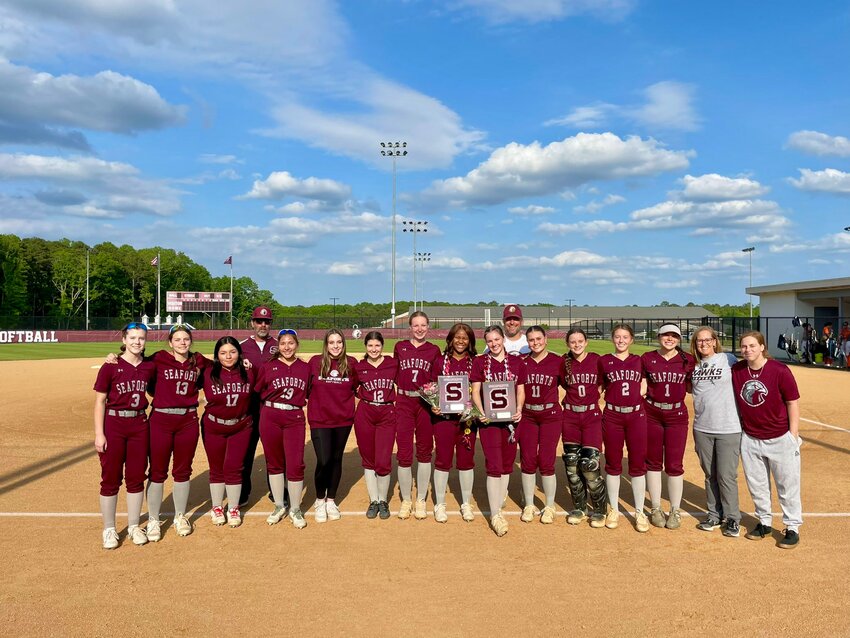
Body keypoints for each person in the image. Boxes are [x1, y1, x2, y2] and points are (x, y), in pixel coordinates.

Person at [732, 331, 802, 549]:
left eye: (752, 346)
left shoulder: (779, 370)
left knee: (787, 484)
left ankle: (792, 527)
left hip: (780, 437)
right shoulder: (737, 370)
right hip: (751, 438)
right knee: (757, 484)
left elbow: (792, 402)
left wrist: (793, 435)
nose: (748, 350)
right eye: (744, 347)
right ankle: (764, 522)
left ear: (762, 347)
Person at [93, 322, 156, 549]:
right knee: (110, 478)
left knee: (136, 477)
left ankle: (133, 526)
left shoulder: (150, 366)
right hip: (114, 423)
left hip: (139, 424)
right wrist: (100, 434)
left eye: (141, 338)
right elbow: (100, 401)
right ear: (124, 340)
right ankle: (109, 529)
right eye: (132, 338)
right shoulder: (110, 366)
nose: (137, 342)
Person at [146, 325, 209, 539]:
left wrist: (243, 361)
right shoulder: (158, 358)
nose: (182, 342)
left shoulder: (198, 360)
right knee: (157, 471)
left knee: (183, 470)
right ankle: (154, 519)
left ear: (190, 341)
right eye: (178, 339)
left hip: (187, 420)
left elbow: (223, 366)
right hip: (161, 419)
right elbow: (136, 366)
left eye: (186, 339)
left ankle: (180, 516)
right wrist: (114, 356)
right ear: (170, 342)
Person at [471, 325, 525, 537]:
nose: (494, 344)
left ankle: (500, 501)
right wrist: (481, 411)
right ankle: (495, 515)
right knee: (494, 464)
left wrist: (519, 408)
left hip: (511, 421)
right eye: (490, 341)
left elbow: (520, 390)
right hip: (489, 422)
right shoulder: (480, 362)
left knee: (506, 464)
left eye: (497, 339)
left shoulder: (516, 362)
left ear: (503, 339)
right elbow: (476, 391)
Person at [689, 326, 742, 537]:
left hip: (728, 427)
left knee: (726, 476)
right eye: (699, 341)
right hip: (702, 428)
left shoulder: (727, 359)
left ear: (714, 341)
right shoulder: (693, 366)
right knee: (710, 474)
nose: (703, 343)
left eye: (707, 340)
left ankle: (732, 518)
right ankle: (714, 514)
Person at [642, 324, 696, 530]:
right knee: (653, 462)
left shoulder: (687, 359)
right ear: (658, 337)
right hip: (652, 413)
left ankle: (675, 509)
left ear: (679, 339)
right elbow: (643, 385)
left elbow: (692, 386)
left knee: (674, 463)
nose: (670, 338)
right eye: (666, 335)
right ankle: (655, 507)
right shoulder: (647, 358)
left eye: (674, 335)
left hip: (677, 414)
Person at [254, 329, 309, 529]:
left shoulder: (305, 367)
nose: (287, 347)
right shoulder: (268, 366)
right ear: (278, 345)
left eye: (291, 343)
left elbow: (311, 391)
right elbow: (258, 391)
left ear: (297, 345)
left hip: (294, 417)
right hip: (270, 416)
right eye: (283, 343)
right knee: (274, 463)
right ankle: (279, 505)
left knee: (295, 464)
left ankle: (295, 508)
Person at [200, 337, 255, 528]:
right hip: (214, 427)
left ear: (239, 353)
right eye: (223, 353)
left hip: (241, 427)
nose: (228, 356)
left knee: (234, 468)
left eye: (232, 352)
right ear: (216, 355)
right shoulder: (207, 372)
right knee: (216, 469)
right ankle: (216, 507)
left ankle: (233, 508)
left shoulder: (249, 371)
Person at [599, 324, 649, 533]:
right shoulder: (604, 361)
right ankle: (614, 508)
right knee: (613, 462)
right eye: (617, 337)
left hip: (636, 415)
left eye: (625, 337)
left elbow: (644, 383)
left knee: (637, 463)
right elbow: (599, 387)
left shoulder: (639, 360)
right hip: (612, 415)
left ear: (631, 340)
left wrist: (638, 396)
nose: (621, 340)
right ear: (613, 339)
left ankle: (639, 511)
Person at [393, 311, 441, 520]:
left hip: (424, 403)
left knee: (424, 451)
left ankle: (420, 498)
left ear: (428, 326)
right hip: (403, 402)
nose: (420, 329)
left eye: (423, 325)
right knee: (404, 451)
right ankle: (406, 499)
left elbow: (438, 381)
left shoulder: (434, 350)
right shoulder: (400, 347)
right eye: (416, 325)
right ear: (410, 327)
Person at [307, 329, 358, 522]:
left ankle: (331, 500)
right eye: (331, 342)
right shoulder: (314, 362)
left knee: (336, 459)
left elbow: (356, 386)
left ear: (343, 344)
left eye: (339, 342)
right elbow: (306, 388)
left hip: (343, 420)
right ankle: (320, 500)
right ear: (326, 344)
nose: (335, 346)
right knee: (324, 460)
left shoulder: (351, 364)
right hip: (320, 420)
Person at [431, 323, 478, 523]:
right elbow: (432, 387)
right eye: (457, 337)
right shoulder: (440, 361)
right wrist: (434, 404)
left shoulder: (476, 362)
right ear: (450, 339)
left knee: (466, 460)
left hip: (467, 420)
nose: (460, 341)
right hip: (444, 419)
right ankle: (439, 503)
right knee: (443, 459)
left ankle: (466, 502)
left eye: (465, 338)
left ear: (470, 341)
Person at [560, 328, 606, 528]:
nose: (577, 345)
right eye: (572, 341)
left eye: (580, 341)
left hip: (591, 416)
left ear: (586, 342)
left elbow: (603, 383)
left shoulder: (597, 360)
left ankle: (599, 510)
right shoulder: (564, 363)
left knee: (590, 466)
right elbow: (562, 383)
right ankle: (579, 507)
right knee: (572, 465)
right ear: (568, 344)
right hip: (570, 416)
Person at [517, 326, 563, 524]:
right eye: (531, 340)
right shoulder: (522, 362)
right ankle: (529, 504)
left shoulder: (558, 361)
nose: (535, 343)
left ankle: (549, 505)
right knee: (527, 459)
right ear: (527, 342)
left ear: (546, 339)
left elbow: (571, 384)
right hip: (528, 414)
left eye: (538, 339)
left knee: (546, 460)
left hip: (550, 415)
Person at [353, 331, 398, 520]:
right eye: (370, 346)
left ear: (382, 346)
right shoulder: (359, 367)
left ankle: (383, 501)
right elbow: (352, 388)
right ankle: (374, 500)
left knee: (383, 458)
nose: (374, 349)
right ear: (365, 347)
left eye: (377, 345)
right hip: (365, 413)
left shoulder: (392, 364)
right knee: (369, 458)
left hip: (387, 413)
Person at [239, 305, 279, 507]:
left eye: (267, 321)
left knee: (273, 451)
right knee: (246, 450)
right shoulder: (241, 346)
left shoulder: (279, 345)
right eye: (259, 321)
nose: (263, 324)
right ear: (252, 323)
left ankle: (277, 491)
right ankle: (243, 493)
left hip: (272, 406)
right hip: (249, 406)